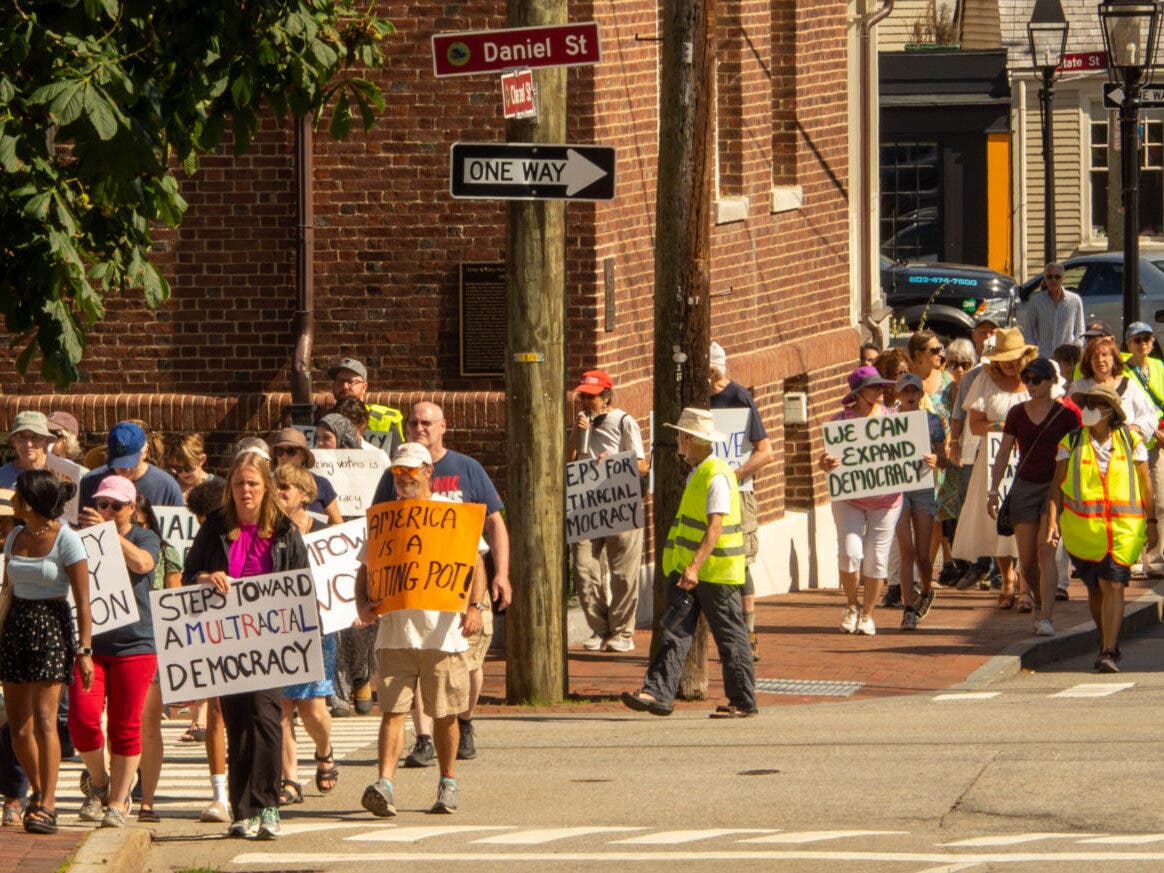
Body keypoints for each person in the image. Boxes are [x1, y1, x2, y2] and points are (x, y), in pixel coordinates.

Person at [371, 400, 511, 765]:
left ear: (443, 426)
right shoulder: (391, 479)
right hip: (411, 601)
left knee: (470, 664)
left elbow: (493, 525)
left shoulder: (468, 468)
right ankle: (423, 739)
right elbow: (376, 535)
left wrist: (500, 575)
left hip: (461, 595)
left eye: (427, 422)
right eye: (414, 422)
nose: (420, 427)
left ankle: (464, 720)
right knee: (416, 670)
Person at [182, 449, 310, 839]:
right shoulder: (217, 526)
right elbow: (189, 577)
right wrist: (207, 578)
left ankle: (267, 804)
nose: (245, 490)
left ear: (266, 486)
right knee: (237, 721)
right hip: (227, 641)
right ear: (230, 489)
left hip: (271, 640)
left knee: (266, 718)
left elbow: (300, 585)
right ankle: (242, 809)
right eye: (239, 484)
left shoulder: (285, 530)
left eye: (253, 483)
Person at [355, 442, 487, 816]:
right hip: (396, 633)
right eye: (398, 471)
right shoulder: (385, 518)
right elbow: (364, 569)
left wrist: (474, 607)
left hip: (442, 634)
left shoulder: (452, 514)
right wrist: (362, 604)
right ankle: (384, 783)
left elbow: (475, 563)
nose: (404, 477)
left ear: (428, 471)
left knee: (445, 713)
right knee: (392, 712)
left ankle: (448, 782)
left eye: (411, 470)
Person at [621, 408, 756, 718]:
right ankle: (657, 693)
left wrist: (694, 566)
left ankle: (742, 701)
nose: (678, 441)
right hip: (693, 572)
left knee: (729, 637)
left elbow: (715, 526)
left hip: (714, 574)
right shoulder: (701, 471)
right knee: (674, 630)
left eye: (682, 436)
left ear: (695, 439)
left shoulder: (716, 475)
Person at [0, 470, 92, 834]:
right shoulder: (14, 537)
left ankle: (49, 801)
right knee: (18, 726)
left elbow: (84, 602)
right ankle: (37, 792)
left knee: (44, 717)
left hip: (52, 626)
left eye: (18, 495)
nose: (12, 500)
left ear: (31, 499)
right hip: (16, 626)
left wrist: (84, 649)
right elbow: (8, 588)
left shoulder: (67, 540)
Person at [70, 476, 160, 829]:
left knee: (125, 726)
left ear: (132, 509)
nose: (107, 511)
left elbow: (143, 564)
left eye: (116, 506)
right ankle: (100, 782)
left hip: (135, 644)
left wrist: (109, 536)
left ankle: (119, 802)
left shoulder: (144, 537)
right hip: (92, 644)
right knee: (82, 718)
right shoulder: (80, 538)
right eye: (102, 504)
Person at [1050, 384, 1153, 673]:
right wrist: (1052, 522)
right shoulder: (1069, 442)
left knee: (1114, 585)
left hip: (1123, 531)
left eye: (1096, 404)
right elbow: (1056, 487)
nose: (1089, 409)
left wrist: (1153, 522)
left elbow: (1146, 484)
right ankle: (1105, 638)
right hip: (1085, 533)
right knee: (1095, 590)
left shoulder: (1132, 440)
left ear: (1110, 411)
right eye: (1087, 404)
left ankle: (1109, 649)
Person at [985, 357, 1080, 637]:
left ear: (1051, 381)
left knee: (1046, 550)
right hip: (1024, 485)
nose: (1030, 385)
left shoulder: (1066, 416)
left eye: (1036, 380)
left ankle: (1047, 616)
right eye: (1027, 380)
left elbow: (1076, 455)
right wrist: (993, 488)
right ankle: (1039, 601)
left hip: (1055, 486)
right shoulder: (1016, 413)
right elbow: (1003, 452)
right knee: (1026, 560)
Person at [952, 327, 1038, 608]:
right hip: (995, 461)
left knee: (1028, 522)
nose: (1009, 363)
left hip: (1029, 462)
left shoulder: (1036, 380)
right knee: (998, 523)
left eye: (1014, 357)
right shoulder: (985, 381)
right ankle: (1007, 578)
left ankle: (1026, 586)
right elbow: (975, 425)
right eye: (1003, 358)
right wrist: (1004, 427)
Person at [567, 369, 649, 653]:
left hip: (619, 501)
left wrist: (614, 459)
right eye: (583, 396)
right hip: (587, 503)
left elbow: (642, 465)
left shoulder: (624, 421)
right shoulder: (581, 424)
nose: (586, 402)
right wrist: (578, 434)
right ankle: (600, 628)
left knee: (622, 572)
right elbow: (570, 462)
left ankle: (623, 632)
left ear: (606, 396)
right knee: (583, 566)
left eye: (591, 397)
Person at [272, 464, 338, 806]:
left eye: (287, 487)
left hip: (317, 627)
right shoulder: (267, 532)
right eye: (277, 486)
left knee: (313, 709)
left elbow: (342, 578)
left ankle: (324, 750)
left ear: (304, 495)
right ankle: (290, 780)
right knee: (281, 707)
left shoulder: (325, 532)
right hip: (278, 628)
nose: (280, 492)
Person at [818, 367, 901, 634]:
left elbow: (906, 454)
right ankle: (852, 605)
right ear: (859, 394)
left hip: (887, 500)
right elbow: (827, 459)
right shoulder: (840, 421)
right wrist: (826, 463)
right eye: (873, 387)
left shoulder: (893, 420)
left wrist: (925, 462)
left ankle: (867, 614)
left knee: (877, 558)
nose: (880, 391)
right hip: (849, 498)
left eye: (881, 386)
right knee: (850, 551)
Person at [709, 343, 773, 660]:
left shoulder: (739, 397)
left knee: (741, 561)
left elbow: (765, 451)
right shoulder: (695, 398)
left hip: (739, 492)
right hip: (705, 493)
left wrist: (737, 473)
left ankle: (748, 634)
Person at [182, 476, 232, 824]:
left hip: (261, 634)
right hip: (219, 629)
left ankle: (261, 786)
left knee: (259, 715)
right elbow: (188, 575)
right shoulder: (211, 532)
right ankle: (219, 794)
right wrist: (205, 577)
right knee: (216, 708)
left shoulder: (269, 525)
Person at [132, 495, 182, 823]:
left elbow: (172, 604)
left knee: (147, 722)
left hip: (150, 643)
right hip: (110, 644)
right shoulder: (95, 546)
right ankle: (110, 783)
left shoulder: (165, 552)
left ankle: (145, 795)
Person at [893, 374, 945, 630]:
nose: (910, 395)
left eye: (915, 391)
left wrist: (937, 460)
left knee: (923, 555)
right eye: (905, 391)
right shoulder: (888, 422)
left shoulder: (933, 422)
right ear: (898, 395)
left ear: (921, 394)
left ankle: (926, 590)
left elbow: (945, 458)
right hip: (899, 490)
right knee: (907, 550)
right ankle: (908, 607)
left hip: (923, 488)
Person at [1121, 321, 1164, 575]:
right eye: (1138, 340)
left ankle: (1157, 555)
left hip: (1158, 442)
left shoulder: (1159, 367)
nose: (1143, 343)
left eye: (1147, 339)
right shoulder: (1123, 371)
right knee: (1134, 500)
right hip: (1133, 442)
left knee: (1160, 498)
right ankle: (1136, 555)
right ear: (1129, 344)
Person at [934, 338, 976, 586]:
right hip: (948, 465)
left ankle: (977, 565)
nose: (959, 370)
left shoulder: (977, 392)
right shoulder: (941, 398)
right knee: (949, 515)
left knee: (971, 513)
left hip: (973, 460)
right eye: (954, 364)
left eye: (965, 364)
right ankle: (956, 563)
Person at [79, 421, 183, 511]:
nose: (125, 468)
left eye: (131, 462)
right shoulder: (89, 482)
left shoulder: (166, 487)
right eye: (119, 462)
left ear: (145, 451)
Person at [327, 357, 404, 455]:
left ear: (364, 387)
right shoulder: (323, 421)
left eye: (351, 382)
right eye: (339, 381)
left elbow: (397, 460)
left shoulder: (385, 421)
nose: (344, 386)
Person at [269, 427, 343, 526]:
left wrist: (316, 533)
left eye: (291, 451)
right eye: (280, 451)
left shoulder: (321, 483)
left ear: (303, 455)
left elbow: (337, 523)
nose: (284, 456)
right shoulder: (267, 484)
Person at [1024, 262, 1085, 356]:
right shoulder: (1036, 301)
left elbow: (1080, 331)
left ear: (1063, 279)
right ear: (1045, 279)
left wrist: (1074, 350)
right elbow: (1029, 331)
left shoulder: (1074, 300)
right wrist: (1034, 353)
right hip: (1043, 357)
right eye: (1049, 277)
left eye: (1057, 277)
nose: (1053, 280)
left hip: (1066, 358)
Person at [0, 412, 56, 489]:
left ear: (46, 441)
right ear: (13, 442)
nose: (28, 444)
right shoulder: (3, 476)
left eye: (35, 438)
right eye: (21, 437)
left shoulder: (63, 472)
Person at [163, 432, 221, 499]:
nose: (183, 473)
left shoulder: (217, 488)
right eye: (177, 469)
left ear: (202, 460)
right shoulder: (170, 488)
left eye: (188, 468)